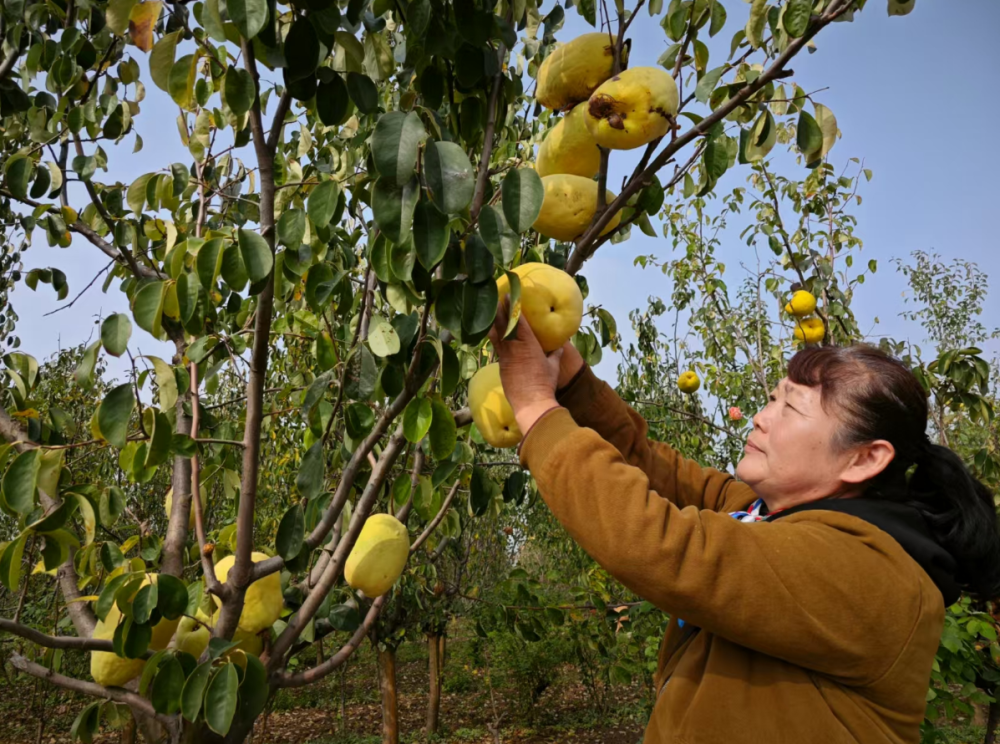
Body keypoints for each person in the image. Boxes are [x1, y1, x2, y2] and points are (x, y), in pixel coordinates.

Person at [487, 299, 1000, 744]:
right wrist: (574, 381)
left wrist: (537, 408)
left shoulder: (870, 571)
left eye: (791, 409)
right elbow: (650, 465)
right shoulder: (768, 516)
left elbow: (667, 548)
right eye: (773, 396)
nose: (761, 415)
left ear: (864, 459)